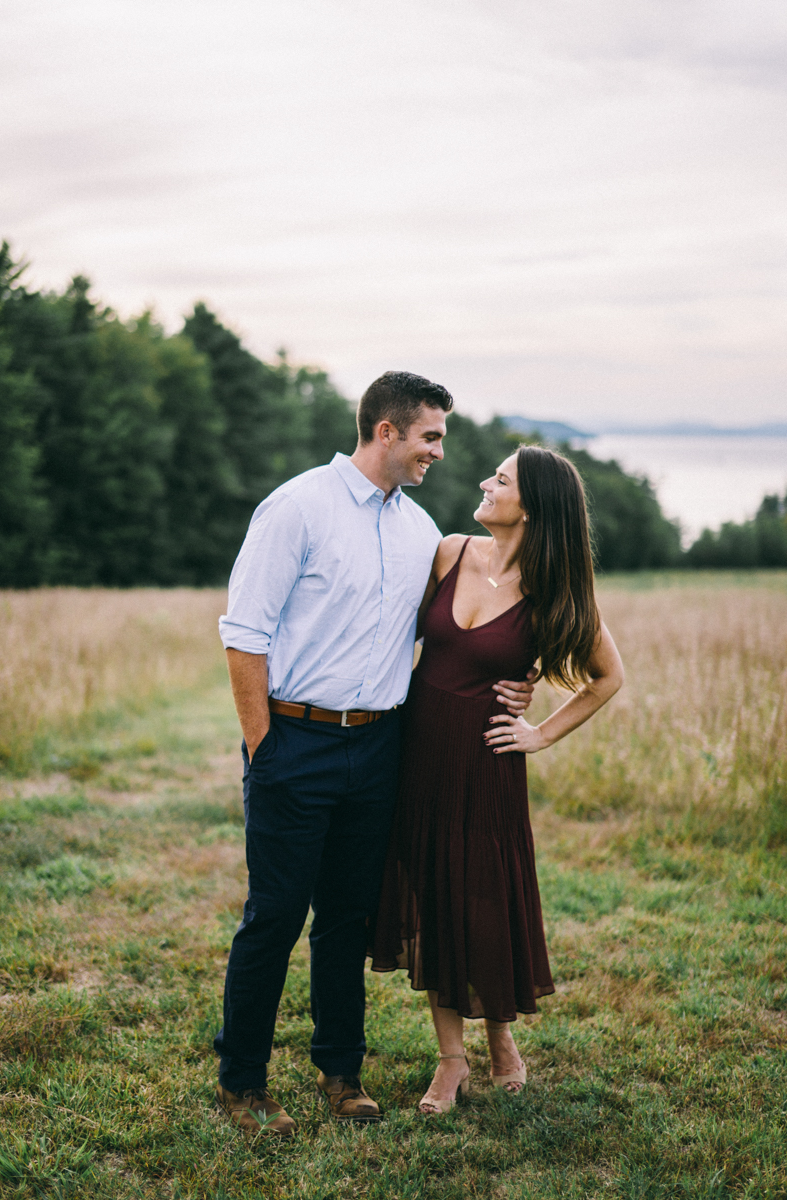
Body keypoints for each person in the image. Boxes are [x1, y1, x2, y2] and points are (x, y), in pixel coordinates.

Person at [213, 371, 535, 1139]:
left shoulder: (421, 531)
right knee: (276, 914)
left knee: (349, 919)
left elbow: (467, 625)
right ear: (386, 432)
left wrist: (517, 683)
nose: (440, 452)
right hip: (296, 741)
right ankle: (243, 1083)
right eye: (431, 436)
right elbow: (243, 632)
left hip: (382, 747)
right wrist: (266, 746)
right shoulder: (298, 508)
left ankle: (340, 1071)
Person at [370, 443, 624, 1115]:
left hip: (488, 765)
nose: (485, 482)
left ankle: (501, 1037)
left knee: (482, 895)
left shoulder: (554, 591)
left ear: (532, 506)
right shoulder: (450, 551)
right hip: (420, 752)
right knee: (432, 890)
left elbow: (608, 678)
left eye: (501, 479)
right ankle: (450, 1059)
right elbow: (401, 635)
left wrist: (538, 731)